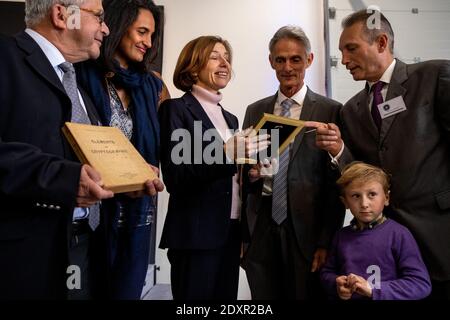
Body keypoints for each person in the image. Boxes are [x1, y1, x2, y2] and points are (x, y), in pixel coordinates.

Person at [314, 9, 450, 299]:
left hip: (440, 234)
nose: (345, 60)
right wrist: (339, 151)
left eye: (351, 48)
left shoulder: (434, 76)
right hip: (386, 248)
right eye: (341, 52)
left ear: (381, 42)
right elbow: (362, 175)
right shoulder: (350, 110)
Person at [0, 0, 114, 299]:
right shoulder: (4, 59)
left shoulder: (77, 82)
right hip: (21, 261)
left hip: (83, 246)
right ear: (62, 14)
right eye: (99, 17)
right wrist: (60, 179)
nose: (106, 28)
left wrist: (128, 177)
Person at [158, 36, 269, 300]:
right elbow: (177, 177)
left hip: (230, 233)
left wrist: (252, 175)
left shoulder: (230, 117)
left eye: (227, 57)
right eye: (215, 56)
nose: (225, 63)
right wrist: (224, 154)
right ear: (193, 67)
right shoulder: (175, 110)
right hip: (195, 235)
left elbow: (229, 177)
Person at [241, 25, 345, 300]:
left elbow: (335, 186)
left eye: (295, 59)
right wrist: (251, 176)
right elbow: (245, 177)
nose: (287, 67)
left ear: (309, 60)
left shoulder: (330, 110)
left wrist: (326, 241)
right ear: (271, 62)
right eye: (280, 59)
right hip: (262, 230)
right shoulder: (255, 110)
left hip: (308, 234)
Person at [75, 0, 165, 300]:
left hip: (138, 216)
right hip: (91, 212)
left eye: (152, 35)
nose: (147, 43)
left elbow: (167, 143)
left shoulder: (153, 86)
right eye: (141, 31)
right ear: (117, 25)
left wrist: (151, 169)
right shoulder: (80, 74)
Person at [320, 162, 431, 300]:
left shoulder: (399, 234)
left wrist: (372, 289)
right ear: (345, 202)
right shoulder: (341, 236)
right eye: (355, 196)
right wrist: (336, 284)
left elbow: (420, 284)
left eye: (372, 194)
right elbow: (327, 273)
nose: (364, 204)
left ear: (386, 198)